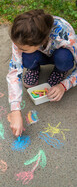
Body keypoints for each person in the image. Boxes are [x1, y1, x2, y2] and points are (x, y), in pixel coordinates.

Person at [6, 9, 77, 137]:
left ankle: (60, 70)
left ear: (40, 41)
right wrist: (15, 110)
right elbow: (14, 70)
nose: (17, 49)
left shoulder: (66, 37)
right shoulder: (21, 34)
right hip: (40, 53)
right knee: (26, 57)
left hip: (60, 54)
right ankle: (34, 68)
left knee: (64, 59)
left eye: (22, 48)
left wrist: (64, 85)